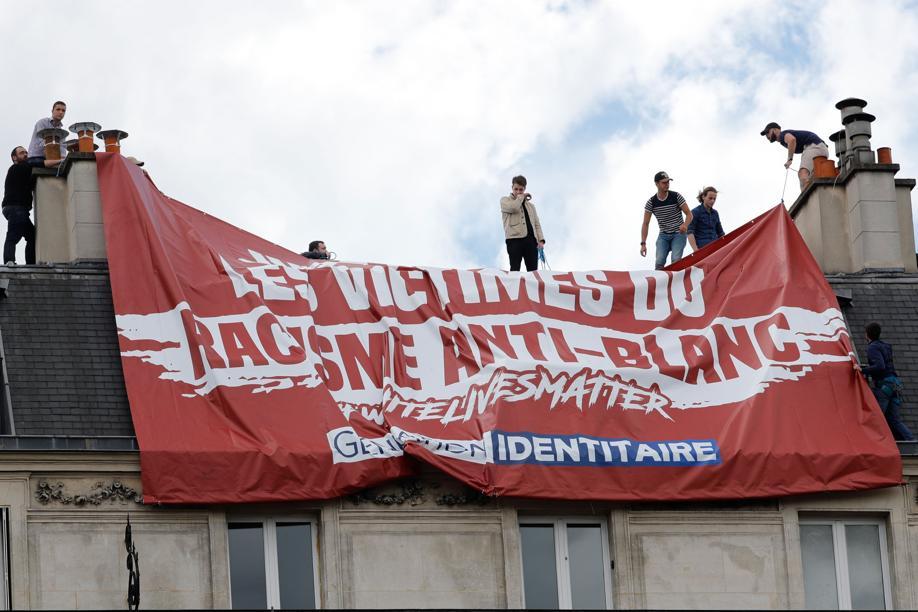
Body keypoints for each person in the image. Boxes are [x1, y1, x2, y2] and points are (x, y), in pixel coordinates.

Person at [862, 322, 915, 441]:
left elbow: (880, 366)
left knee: (877, 417)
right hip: (894, 385)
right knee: (894, 420)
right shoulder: (885, 346)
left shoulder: (872, 347)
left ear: (867, 334)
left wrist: (862, 370)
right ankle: (912, 444)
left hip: (884, 385)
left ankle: (875, 443)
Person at [640, 171, 692, 270]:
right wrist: (643, 243)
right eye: (664, 182)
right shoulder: (651, 203)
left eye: (668, 182)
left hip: (678, 234)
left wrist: (685, 225)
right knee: (659, 261)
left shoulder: (676, 196)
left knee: (676, 260)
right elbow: (645, 224)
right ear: (656, 184)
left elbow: (689, 214)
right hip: (663, 235)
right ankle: (660, 284)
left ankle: (675, 282)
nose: (667, 184)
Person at [760, 122, 829, 190]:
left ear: (775, 130)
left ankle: (807, 199)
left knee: (803, 175)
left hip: (814, 146)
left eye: (767, 132)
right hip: (821, 149)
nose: (766, 135)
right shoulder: (782, 140)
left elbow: (792, 140)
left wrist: (789, 160)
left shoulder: (782, 135)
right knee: (813, 180)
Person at [500, 175, 545, 272]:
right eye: (516, 189)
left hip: (531, 241)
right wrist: (521, 198)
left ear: (524, 189)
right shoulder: (505, 200)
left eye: (521, 190)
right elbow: (513, 207)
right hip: (514, 240)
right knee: (515, 269)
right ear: (512, 187)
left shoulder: (531, 206)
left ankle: (533, 287)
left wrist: (541, 240)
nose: (518, 192)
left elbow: (537, 223)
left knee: (533, 271)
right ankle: (514, 287)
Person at [3, 146, 36, 265]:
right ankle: (9, 261)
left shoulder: (24, 169)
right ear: (14, 157)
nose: (26, 154)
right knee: (13, 235)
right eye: (22, 153)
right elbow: (38, 163)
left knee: (32, 236)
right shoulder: (18, 167)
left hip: (16, 209)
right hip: (16, 207)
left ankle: (31, 264)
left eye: (26, 152)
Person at [27, 101, 67, 168]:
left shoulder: (61, 131)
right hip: (36, 157)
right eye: (58, 109)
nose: (61, 112)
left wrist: (64, 159)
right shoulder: (42, 122)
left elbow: (62, 148)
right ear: (52, 111)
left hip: (51, 159)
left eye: (63, 110)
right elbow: (43, 144)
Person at [687, 186, 725, 251]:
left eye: (714, 199)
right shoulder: (695, 212)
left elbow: (721, 233)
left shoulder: (715, 213)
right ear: (703, 197)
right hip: (703, 249)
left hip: (716, 248)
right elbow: (690, 232)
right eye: (710, 198)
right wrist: (695, 250)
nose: (712, 201)